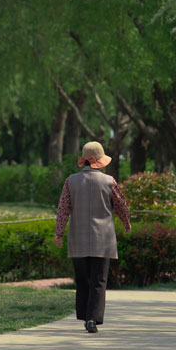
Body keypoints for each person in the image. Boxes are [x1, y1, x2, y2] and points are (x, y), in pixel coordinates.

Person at [54, 141, 131, 333]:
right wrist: (126, 222)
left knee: (82, 279)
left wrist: (59, 233)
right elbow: (121, 204)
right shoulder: (109, 181)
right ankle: (92, 319)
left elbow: (63, 210)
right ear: (99, 161)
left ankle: (84, 315)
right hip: (102, 240)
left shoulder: (70, 181)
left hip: (77, 239)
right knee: (98, 280)